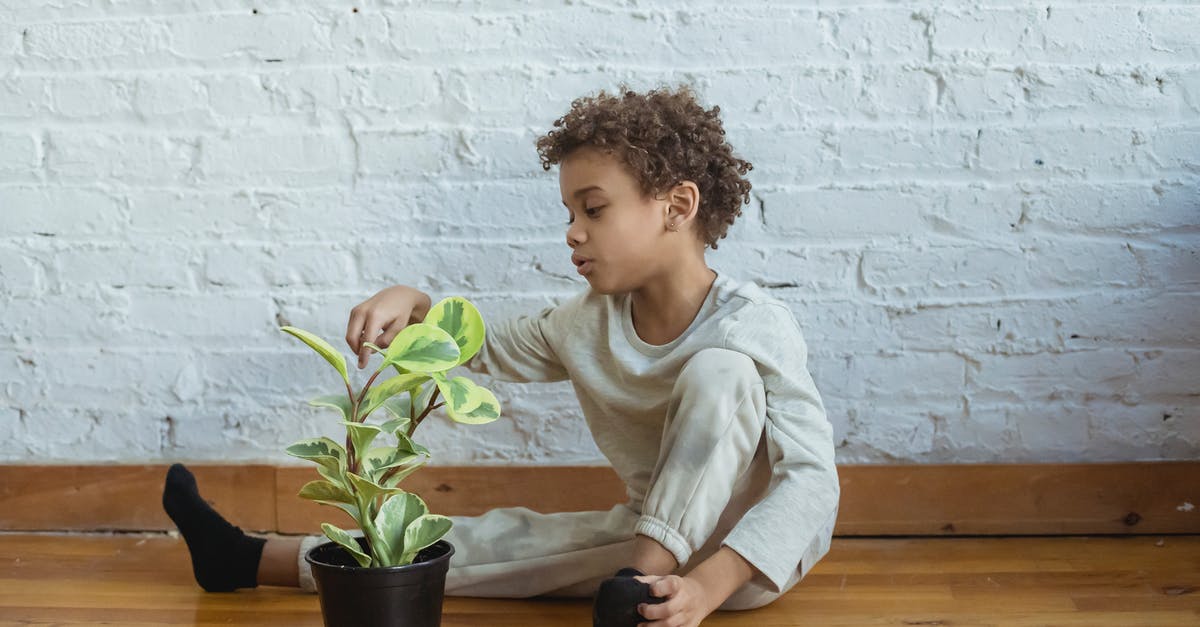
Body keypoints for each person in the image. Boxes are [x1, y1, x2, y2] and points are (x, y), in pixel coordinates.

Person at [162, 84, 840, 627]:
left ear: (678, 205)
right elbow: (483, 342)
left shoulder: (753, 324)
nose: (572, 232)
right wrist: (416, 303)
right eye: (568, 211)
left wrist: (704, 588)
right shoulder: (586, 323)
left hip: (744, 564)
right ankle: (243, 558)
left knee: (720, 372)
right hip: (650, 550)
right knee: (497, 544)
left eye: (594, 208)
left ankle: (639, 584)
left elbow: (811, 483)